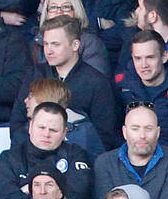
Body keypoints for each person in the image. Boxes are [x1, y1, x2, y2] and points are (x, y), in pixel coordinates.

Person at [13, 16, 118, 150]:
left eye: (55, 44)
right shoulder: (35, 74)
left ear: (75, 45)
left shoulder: (96, 82)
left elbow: (103, 136)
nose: (48, 50)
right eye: (46, 44)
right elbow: (17, 122)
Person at [0, 97, 95, 199]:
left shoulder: (75, 154)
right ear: (30, 127)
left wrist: (30, 191)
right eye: (41, 128)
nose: (46, 134)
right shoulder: (9, 158)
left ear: (64, 133)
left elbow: (79, 194)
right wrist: (52, 195)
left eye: (53, 130)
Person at [114, 30, 168, 159]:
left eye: (150, 57)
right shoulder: (121, 83)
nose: (143, 65)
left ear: (164, 57)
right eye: (138, 58)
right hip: (133, 161)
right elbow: (112, 128)